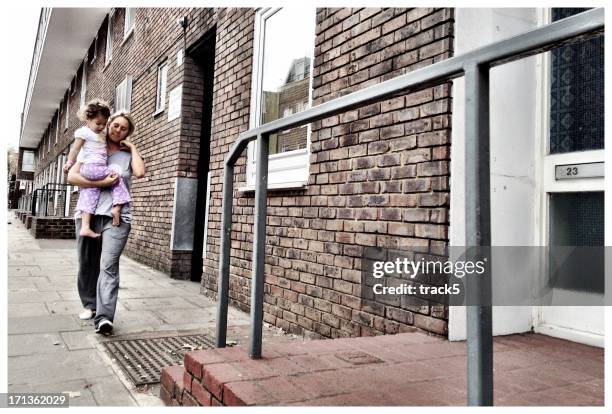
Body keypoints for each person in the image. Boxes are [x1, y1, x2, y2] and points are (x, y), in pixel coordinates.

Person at [67, 111, 145, 334]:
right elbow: (71, 177)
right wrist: (102, 182)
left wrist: (132, 148)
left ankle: (104, 317)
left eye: (124, 129)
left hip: (117, 217)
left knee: (108, 265)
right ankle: (90, 304)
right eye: (116, 125)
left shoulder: (127, 154)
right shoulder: (93, 144)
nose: (118, 130)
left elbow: (139, 172)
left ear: (128, 133)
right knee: (86, 264)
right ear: (108, 125)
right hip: (87, 214)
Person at [64, 100, 132, 238]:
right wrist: (69, 162)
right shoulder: (84, 132)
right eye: (98, 123)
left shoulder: (102, 132)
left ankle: (85, 227)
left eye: (104, 123)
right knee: (116, 177)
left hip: (93, 170)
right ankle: (117, 208)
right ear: (88, 119)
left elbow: (114, 132)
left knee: (89, 193)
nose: (101, 127)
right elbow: (75, 149)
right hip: (92, 167)